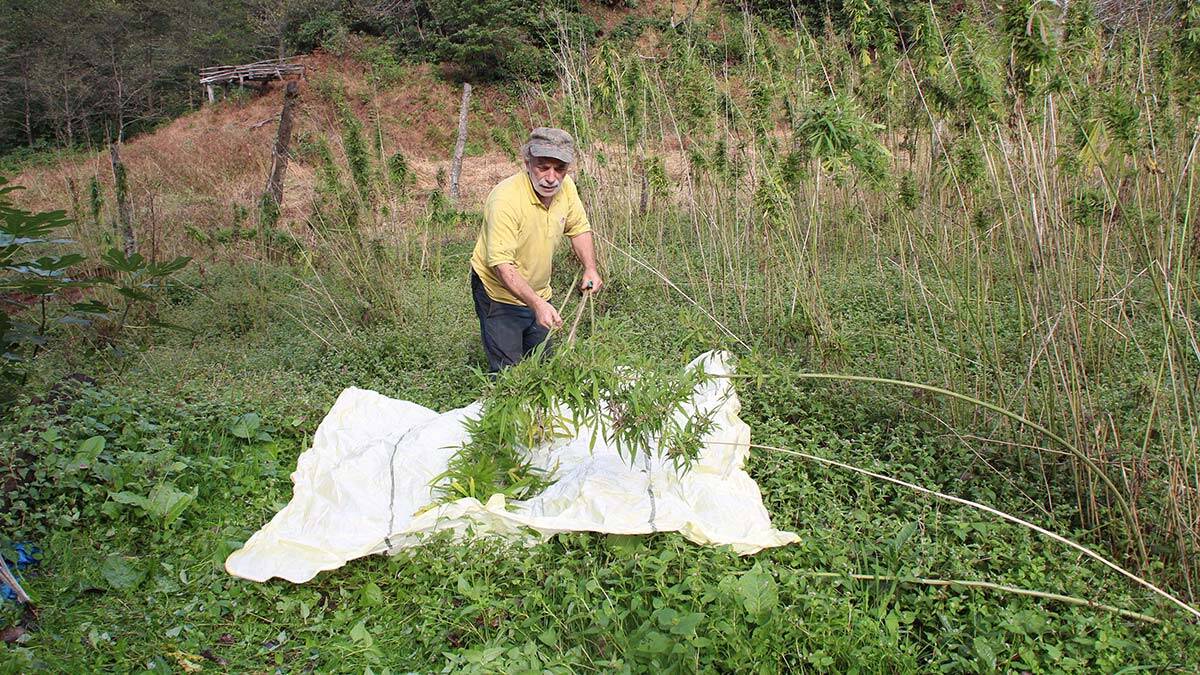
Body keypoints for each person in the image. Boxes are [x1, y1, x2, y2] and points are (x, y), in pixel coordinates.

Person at [469, 127, 603, 372]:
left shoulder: (567, 189)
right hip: (498, 294)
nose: (551, 177)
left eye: (559, 169)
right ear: (527, 162)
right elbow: (502, 266)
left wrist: (590, 268)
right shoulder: (505, 200)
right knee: (509, 372)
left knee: (542, 364)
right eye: (543, 166)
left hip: (539, 291)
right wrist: (537, 304)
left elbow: (579, 227)